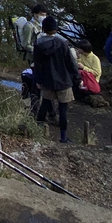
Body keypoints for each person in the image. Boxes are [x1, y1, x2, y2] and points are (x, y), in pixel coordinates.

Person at [33, 15, 80, 143]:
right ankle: (63, 138)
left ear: (43, 29)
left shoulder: (38, 44)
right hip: (64, 81)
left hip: (47, 81)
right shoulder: (62, 43)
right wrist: (77, 78)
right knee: (63, 110)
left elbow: (37, 64)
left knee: (45, 105)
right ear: (55, 29)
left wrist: (38, 80)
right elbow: (71, 63)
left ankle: (36, 132)